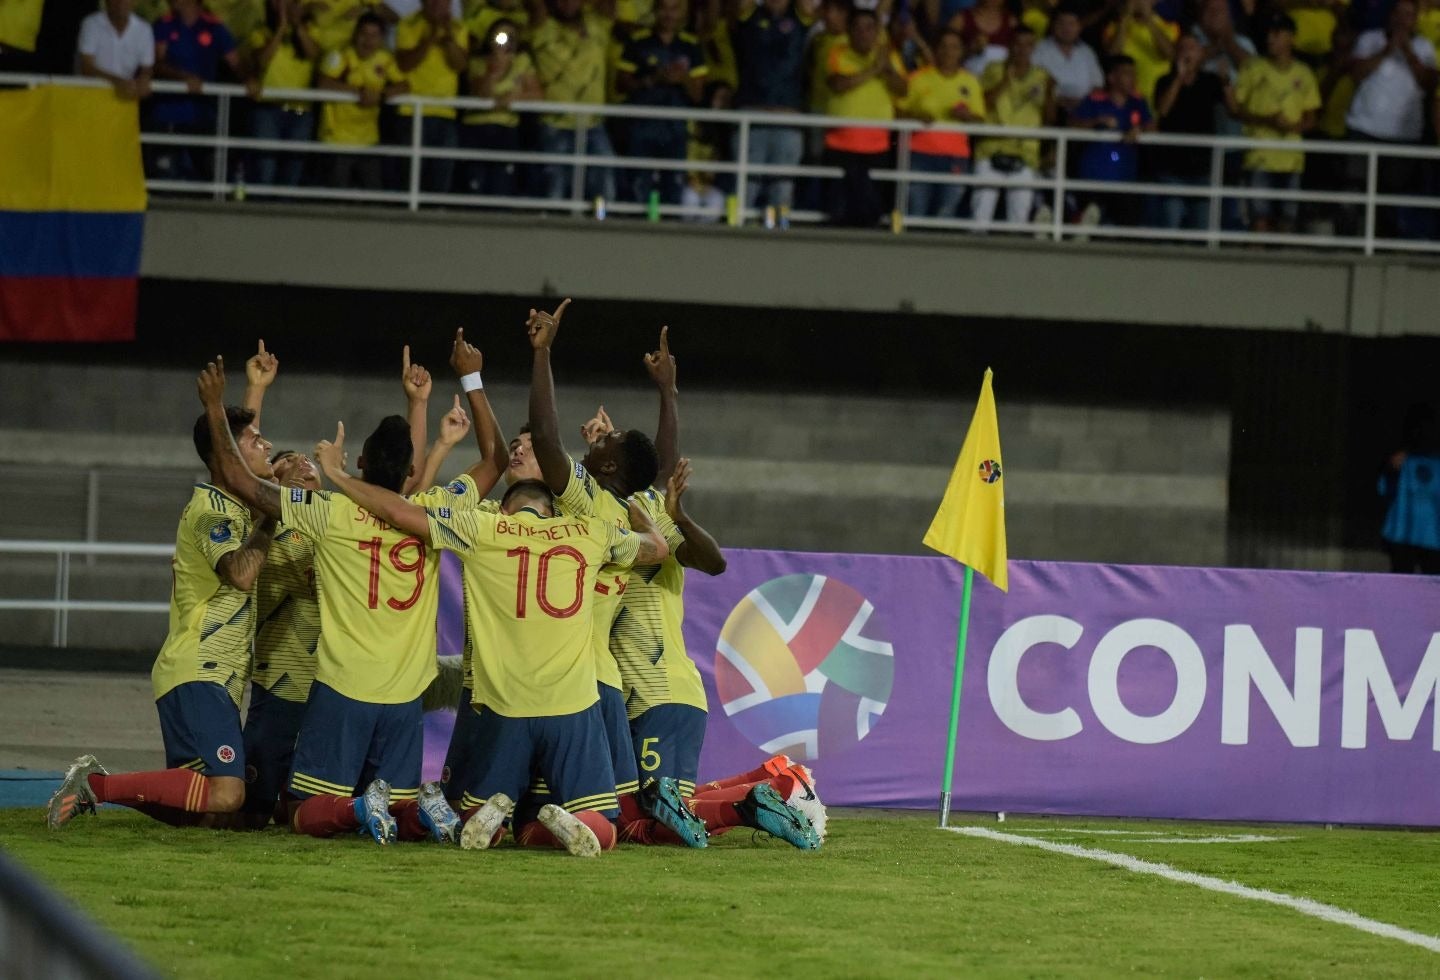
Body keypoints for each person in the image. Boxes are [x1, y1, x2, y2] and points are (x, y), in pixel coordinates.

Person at [196, 344, 503, 846]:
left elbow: (236, 478)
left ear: (358, 462)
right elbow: (494, 459)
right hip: (405, 696)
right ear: (410, 473)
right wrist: (471, 379)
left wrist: (214, 406)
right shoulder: (431, 511)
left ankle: (362, 807)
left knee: (301, 812)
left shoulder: (329, 514)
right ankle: (428, 809)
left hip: (342, 689)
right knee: (399, 811)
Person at [47, 395, 279, 831]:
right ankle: (96, 787)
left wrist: (256, 388)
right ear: (227, 455)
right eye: (256, 440)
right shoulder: (214, 510)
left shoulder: (232, 503)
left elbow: (234, 457)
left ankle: (97, 787)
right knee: (229, 794)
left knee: (209, 812)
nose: (267, 446)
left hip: (205, 676)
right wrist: (273, 514)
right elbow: (242, 574)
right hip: (200, 672)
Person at [1346, 0, 1437, 239]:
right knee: (1354, 190)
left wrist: (1408, 52)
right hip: (1364, 127)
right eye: (1399, 13)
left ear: (1416, 19)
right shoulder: (1370, 39)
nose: (1403, 19)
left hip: (1403, 134)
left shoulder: (1424, 46)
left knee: (1391, 198)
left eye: (1409, 14)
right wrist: (1387, 50)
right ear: (1390, 15)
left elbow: (1429, 85)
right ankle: (1349, 240)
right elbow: (1356, 74)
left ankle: (1384, 245)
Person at [1233, 13, 1319, 234]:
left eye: (1277, 34)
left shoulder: (1304, 73)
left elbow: (1311, 117)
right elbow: (1236, 109)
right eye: (1269, 34)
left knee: (1287, 222)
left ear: (1291, 38)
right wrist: (1267, 121)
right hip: (1259, 155)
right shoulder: (1253, 68)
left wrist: (1293, 127)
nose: (1270, 39)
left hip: (1292, 159)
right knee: (1259, 220)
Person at [617, 0, 707, 206]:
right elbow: (621, 84)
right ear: (655, 11)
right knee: (638, 187)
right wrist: (652, 80)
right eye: (664, 8)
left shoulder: (691, 45)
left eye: (674, 8)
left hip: (675, 130)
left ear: (682, 13)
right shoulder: (638, 41)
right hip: (642, 127)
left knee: (673, 190)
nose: (668, 14)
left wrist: (682, 79)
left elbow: (698, 94)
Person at [148, 0, 251, 182]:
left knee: (205, 174)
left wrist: (250, 80)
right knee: (165, 174)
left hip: (202, 114)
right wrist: (184, 77)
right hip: (168, 113)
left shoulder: (214, 26)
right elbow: (157, 63)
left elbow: (236, 64)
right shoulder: (164, 23)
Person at [823, 6, 907, 227]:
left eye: (869, 28)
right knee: (839, 212)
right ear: (849, 31)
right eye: (858, 28)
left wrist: (887, 68)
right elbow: (838, 84)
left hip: (877, 146)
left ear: (878, 31)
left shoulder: (888, 56)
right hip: (841, 144)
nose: (864, 33)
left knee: (872, 212)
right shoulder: (836, 51)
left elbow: (903, 89)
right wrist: (873, 70)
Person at [529, 0, 617, 203]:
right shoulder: (543, 28)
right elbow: (535, 6)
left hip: (593, 124)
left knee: (605, 188)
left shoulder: (597, 25)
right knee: (555, 187)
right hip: (555, 124)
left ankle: (601, 225)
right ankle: (550, 232)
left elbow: (610, 6)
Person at [730, 0, 812, 217]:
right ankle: (736, 237)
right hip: (752, 113)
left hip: (788, 115)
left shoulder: (800, 16)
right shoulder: (750, 14)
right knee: (746, 186)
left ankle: (781, 238)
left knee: (782, 189)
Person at [316, 12, 409, 191]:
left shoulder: (385, 59)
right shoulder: (340, 56)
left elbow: (404, 85)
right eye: (363, 34)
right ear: (355, 35)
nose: (368, 41)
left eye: (374, 36)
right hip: (337, 140)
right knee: (336, 198)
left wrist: (380, 95)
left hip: (368, 140)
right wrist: (358, 92)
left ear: (382, 39)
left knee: (373, 196)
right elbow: (323, 83)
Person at [972, 26, 1053, 230]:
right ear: (1010, 46)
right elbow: (982, 105)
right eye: (1018, 44)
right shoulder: (993, 69)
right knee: (980, 217)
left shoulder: (1042, 76)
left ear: (1033, 47)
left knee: (1018, 222)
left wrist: (1051, 94)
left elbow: (1049, 119)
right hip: (991, 149)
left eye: (1028, 44)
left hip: (1025, 153)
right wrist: (1004, 83)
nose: (1022, 49)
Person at [900, 29, 986, 218]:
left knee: (946, 215)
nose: (949, 52)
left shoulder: (971, 82)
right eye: (944, 47)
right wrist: (916, 116)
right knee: (915, 212)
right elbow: (898, 112)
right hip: (919, 155)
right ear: (935, 50)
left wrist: (966, 115)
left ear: (962, 51)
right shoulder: (917, 78)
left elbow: (980, 119)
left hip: (956, 157)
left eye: (954, 47)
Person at [395, 0, 469, 193]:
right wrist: (429, 39)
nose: (439, 6)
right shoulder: (408, 24)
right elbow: (405, 64)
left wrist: (449, 40)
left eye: (444, 2)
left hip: (445, 113)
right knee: (409, 175)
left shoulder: (459, 28)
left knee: (441, 174)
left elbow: (460, 66)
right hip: (412, 111)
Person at [1151, 35, 1224, 230]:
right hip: (1170, 165)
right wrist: (1179, 78)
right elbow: (1163, 110)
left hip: (1202, 166)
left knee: (1201, 228)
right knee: (1170, 222)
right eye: (1182, 48)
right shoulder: (1164, 80)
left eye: (1192, 48)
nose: (1187, 52)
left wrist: (1226, 81)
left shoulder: (1211, 81)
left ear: (1201, 54)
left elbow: (1233, 110)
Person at [461, 19, 540, 197]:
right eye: (501, 36)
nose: (505, 41)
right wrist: (493, 71)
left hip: (506, 130)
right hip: (477, 129)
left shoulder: (523, 61)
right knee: (475, 181)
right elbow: (481, 93)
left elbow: (537, 95)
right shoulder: (477, 62)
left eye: (510, 37)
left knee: (502, 182)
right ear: (491, 38)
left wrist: (513, 98)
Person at [248, 0, 320, 187]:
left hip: (301, 111)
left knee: (293, 169)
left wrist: (297, 26)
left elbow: (313, 55)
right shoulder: (260, 30)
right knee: (265, 168)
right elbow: (261, 61)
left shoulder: (311, 28)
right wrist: (281, 28)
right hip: (268, 109)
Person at [1379, 404, 1440, 574]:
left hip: (1433, 538)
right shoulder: (1400, 462)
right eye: (1419, 429)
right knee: (1402, 585)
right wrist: (1391, 470)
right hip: (1403, 535)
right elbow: (1384, 491)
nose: (1424, 433)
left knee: (1432, 588)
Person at [1032, 3, 1103, 118]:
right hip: (1048, 111)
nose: (1066, 28)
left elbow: (1097, 86)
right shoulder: (1039, 49)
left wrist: (1082, 104)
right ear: (1053, 25)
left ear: (1079, 27)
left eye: (1071, 24)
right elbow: (1032, 83)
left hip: (1083, 113)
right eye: (1061, 23)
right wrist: (1057, 101)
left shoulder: (1087, 52)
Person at [1103, 0, 1177, 108]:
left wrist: (1149, 21)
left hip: (1155, 98)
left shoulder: (1170, 27)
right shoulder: (1113, 27)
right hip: (1122, 101)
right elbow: (1113, 54)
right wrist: (1125, 17)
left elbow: (1169, 54)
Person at [76, 0, 155, 99]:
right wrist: (117, 82)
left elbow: (147, 68)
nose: (120, 2)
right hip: (91, 96)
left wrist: (144, 79)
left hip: (126, 98)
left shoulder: (144, 29)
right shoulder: (91, 24)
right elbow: (86, 67)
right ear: (106, 2)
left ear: (135, 2)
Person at [953, 0, 1016, 75]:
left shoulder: (1011, 22)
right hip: (967, 80)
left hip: (1000, 83)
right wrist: (970, 50)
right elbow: (944, 53)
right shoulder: (961, 20)